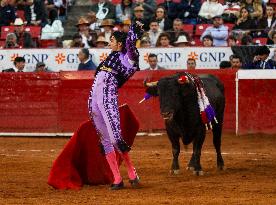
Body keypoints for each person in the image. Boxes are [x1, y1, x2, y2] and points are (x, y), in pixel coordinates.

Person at [88, 21, 144, 190]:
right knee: (104, 140)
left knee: (115, 138)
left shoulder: (129, 58)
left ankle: (131, 172)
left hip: (108, 96)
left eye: (111, 40)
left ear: (120, 43)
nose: (109, 43)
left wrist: (133, 31)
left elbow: (130, 45)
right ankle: (117, 178)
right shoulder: (110, 57)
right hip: (94, 97)